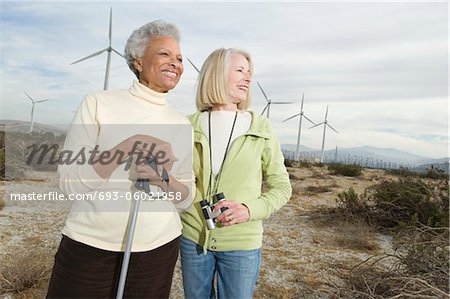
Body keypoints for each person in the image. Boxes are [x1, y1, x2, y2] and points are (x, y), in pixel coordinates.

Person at [46, 20, 194, 298]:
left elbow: (186, 197)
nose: (175, 63)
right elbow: (68, 184)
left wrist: (162, 177)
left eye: (179, 58)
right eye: (164, 54)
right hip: (90, 248)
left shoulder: (181, 123)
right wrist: (124, 148)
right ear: (137, 60)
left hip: (157, 251)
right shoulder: (98, 104)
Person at [180, 48, 292, 299]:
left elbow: (283, 188)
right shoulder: (186, 125)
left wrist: (249, 209)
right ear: (217, 74)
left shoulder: (261, 128)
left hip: (242, 243)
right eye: (240, 70)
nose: (248, 78)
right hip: (193, 240)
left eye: (249, 73)